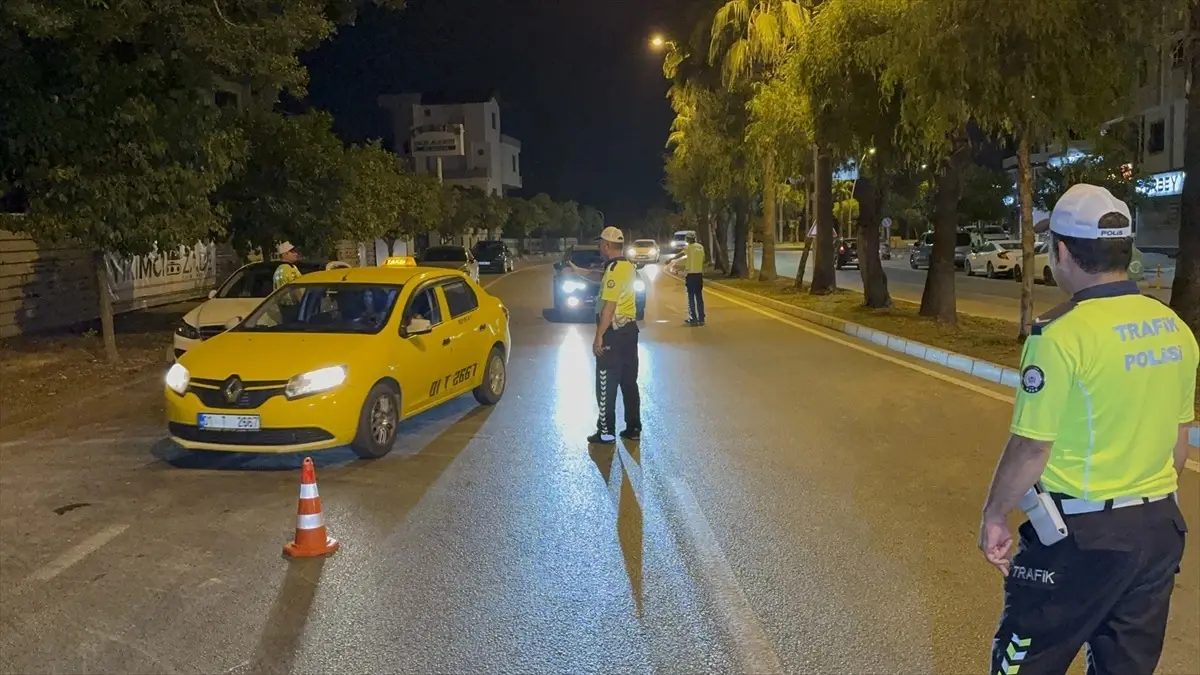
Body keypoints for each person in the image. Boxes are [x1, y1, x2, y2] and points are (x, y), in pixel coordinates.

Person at [978, 184, 1197, 675]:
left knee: (1024, 664)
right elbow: (1178, 447)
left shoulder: (1059, 336)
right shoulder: (1173, 328)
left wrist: (994, 514)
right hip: (1158, 532)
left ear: (1060, 252)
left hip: (1079, 540)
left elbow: (1032, 446)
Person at [580, 226, 642, 445]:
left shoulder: (614, 270)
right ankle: (634, 428)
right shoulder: (627, 266)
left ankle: (606, 432)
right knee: (629, 382)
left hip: (614, 334)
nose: (599, 247)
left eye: (601, 244)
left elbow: (609, 307)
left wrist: (599, 336)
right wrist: (579, 271)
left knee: (606, 383)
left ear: (606, 246)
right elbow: (602, 276)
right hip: (630, 332)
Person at [682, 232, 706, 326]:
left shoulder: (688, 247)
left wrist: (671, 260)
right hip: (699, 275)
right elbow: (703, 259)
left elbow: (681, 254)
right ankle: (701, 318)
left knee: (691, 297)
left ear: (688, 239)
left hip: (691, 275)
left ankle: (693, 318)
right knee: (699, 297)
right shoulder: (700, 247)